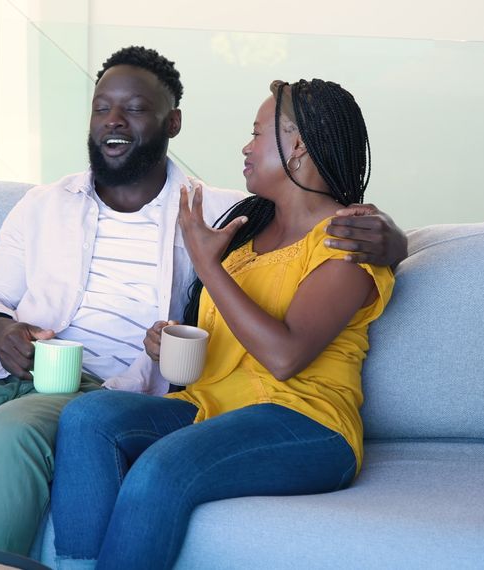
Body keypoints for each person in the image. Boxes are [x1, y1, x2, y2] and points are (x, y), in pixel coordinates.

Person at [0, 47, 406, 556]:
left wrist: (395, 239)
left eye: (134, 108)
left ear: (171, 122)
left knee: (22, 432)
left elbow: (325, 235)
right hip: (0, 365)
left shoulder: (213, 214)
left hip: (107, 381)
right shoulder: (48, 203)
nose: (113, 120)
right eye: (102, 106)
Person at [50, 78, 395, 570]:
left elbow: (284, 356)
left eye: (257, 134)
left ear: (297, 145)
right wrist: (169, 342)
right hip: (209, 407)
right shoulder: (249, 232)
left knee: (163, 466)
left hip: (306, 423)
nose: (246, 147)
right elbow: (230, 345)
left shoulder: (345, 239)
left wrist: (206, 263)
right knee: (89, 417)